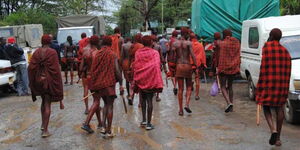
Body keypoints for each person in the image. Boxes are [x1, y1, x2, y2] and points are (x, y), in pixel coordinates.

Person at [256, 28, 291, 146]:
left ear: (271, 36)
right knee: (279, 108)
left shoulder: (267, 47)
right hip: (281, 84)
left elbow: (263, 66)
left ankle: (273, 129)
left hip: (268, 83)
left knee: (266, 106)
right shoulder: (286, 51)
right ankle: (278, 139)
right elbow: (288, 71)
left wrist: (260, 85)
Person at [83, 36, 123, 138]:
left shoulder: (98, 54)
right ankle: (108, 131)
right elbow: (117, 71)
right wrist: (121, 83)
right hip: (109, 84)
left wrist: (94, 83)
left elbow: (94, 69)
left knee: (105, 105)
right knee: (109, 106)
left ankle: (104, 128)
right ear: (110, 44)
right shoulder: (112, 54)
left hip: (99, 85)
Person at [28, 34, 64, 138]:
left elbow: (31, 68)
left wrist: (34, 79)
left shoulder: (37, 52)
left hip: (39, 81)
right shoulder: (52, 53)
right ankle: (45, 131)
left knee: (43, 102)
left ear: (42, 41)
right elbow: (56, 71)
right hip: (48, 81)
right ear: (49, 42)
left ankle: (43, 125)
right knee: (48, 103)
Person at [133, 35, 163, 130]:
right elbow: (156, 65)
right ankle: (149, 124)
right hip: (151, 79)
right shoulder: (155, 53)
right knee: (150, 100)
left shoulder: (138, 52)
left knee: (142, 100)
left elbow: (136, 65)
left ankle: (144, 120)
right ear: (150, 42)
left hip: (141, 78)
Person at [81, 35, 104, 133]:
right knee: (96, 101)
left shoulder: (85, 51)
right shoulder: (96, 53)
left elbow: (81, 67)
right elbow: (99, 69)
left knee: (96, 99)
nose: (100, 43)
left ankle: (100, 123)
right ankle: (86, 123)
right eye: (99, 41)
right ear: (96, 42)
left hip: (88, 77)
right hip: (95, 78)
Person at [174, 28, 197, 116]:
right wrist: (196, 66)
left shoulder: (175, 43)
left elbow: (172, 55)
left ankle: (180, 110)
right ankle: (187, 104)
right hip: (187, 66)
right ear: (186, 34)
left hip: (179, 66)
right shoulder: (189, 43)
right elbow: (193, 55)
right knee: (189, 87)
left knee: (180, 89)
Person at [217, 29, 240, 113]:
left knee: (223, 86)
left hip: (223, 68)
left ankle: (228, 103)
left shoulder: (222, 44)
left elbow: (217, 46)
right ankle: (232, 107)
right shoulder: (237, 43)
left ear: (224, 35)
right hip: (233, 68)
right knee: (230, 86)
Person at [128, 33, 144, 105]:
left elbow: (129, 58)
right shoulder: (142, 46)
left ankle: (131, 96)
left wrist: (129, 68)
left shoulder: (132, 46)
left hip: (132, 66)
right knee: (141, 85)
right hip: (140, 66)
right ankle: (140, 103)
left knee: (132, 83)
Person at [190, 33, 206, 100]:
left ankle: (188, 92)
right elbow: (203, 55)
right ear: (196, 37)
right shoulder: (200, 45)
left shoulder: (189, 45)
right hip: (198, 64)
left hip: (190, 64)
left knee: (189, 78)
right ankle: (196, 95)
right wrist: (203, 64)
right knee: (197, 79)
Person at [152, 35, 167, 102]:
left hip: (149, 67)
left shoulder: (148, 47)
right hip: (157, 66)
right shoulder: (158, 47)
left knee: (151, 80)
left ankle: (152, 93)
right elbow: (162, 58)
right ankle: (157, 96)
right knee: (157, 80)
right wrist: (165, 68)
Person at [167, 31, 179, 95]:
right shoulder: (178, 41)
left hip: (170, 60)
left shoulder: (170, 41)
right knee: (177, 74)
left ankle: (174, 86)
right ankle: (176, 85)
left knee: (171, 74)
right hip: (177, 60)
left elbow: (168, 50)